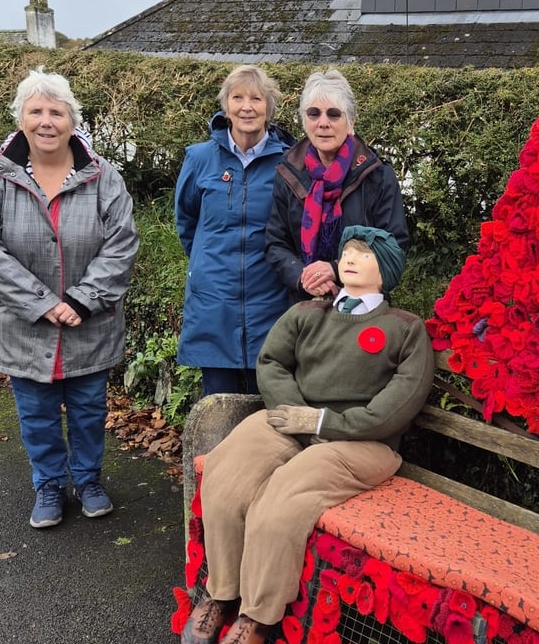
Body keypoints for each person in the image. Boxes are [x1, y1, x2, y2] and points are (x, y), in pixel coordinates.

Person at [182, 226, 434, 644]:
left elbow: (398, 405)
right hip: (289, 422)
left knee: (283, 494)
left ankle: (258, 617)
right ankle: (221, 593)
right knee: (228, 472)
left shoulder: (405, 329)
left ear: (385, 272)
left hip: (362, 443)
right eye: (348, 252)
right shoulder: (307, 313)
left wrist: (322, 424)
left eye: (364, 255)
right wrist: (293, 413)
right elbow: (273, 362)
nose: (350, 258)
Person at [0, 66, 139, 528]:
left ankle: (87, 480)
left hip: (90, 321)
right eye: (36, 110)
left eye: (56, 112)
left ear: (72, 119)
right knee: (37, 414)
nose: (47, 121)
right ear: (20, 117)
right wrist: (42, 303)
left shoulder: (103, 176)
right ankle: (47, 484)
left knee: (88, 410)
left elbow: (121, 242)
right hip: (24, 324)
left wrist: (82, 300)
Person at [176, 65, 295, 396]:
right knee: (216, 407)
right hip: (213, 302)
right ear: (225, 106)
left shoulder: (288, 163)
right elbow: (187, 221)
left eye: (257, 98)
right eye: (238, 97)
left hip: (269, 299)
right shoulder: (199, 158)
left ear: (269, 108)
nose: (247, 106)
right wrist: (208, 262)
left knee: (266, 406)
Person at [265, 68, 409, 305]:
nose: (323, 123)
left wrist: (334, 269)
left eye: (333, 114)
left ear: (350, 122)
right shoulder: (288, 172)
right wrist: (305, 277)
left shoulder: (377, 176)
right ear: (304, 120)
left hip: (363, 307)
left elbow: (393, 247)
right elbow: (276, 243)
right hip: (304, 304)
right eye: (313, 114)